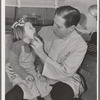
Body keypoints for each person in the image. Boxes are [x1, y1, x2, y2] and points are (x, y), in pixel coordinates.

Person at [31, 6, 88, 100]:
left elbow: (65, 73)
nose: (53, 28)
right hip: (41, 75)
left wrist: (41, 54)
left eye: (58, 26)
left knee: (62, 94)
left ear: (71, 28)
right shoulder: (45, 31)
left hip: (66, 79)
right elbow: (31, 55)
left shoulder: (80, 45)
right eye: (54, 22)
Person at [5, 17, 52, 100]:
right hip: (20, 75)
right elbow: (13, 64)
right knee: (22, 92)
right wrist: (25, 75)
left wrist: (39, 71)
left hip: (32, 73)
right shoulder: (16, 46)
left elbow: (38, 61)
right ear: (22, 33)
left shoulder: (34, 45)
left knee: (42, 87)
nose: (34, 29)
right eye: (30, 27)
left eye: (33, 27)